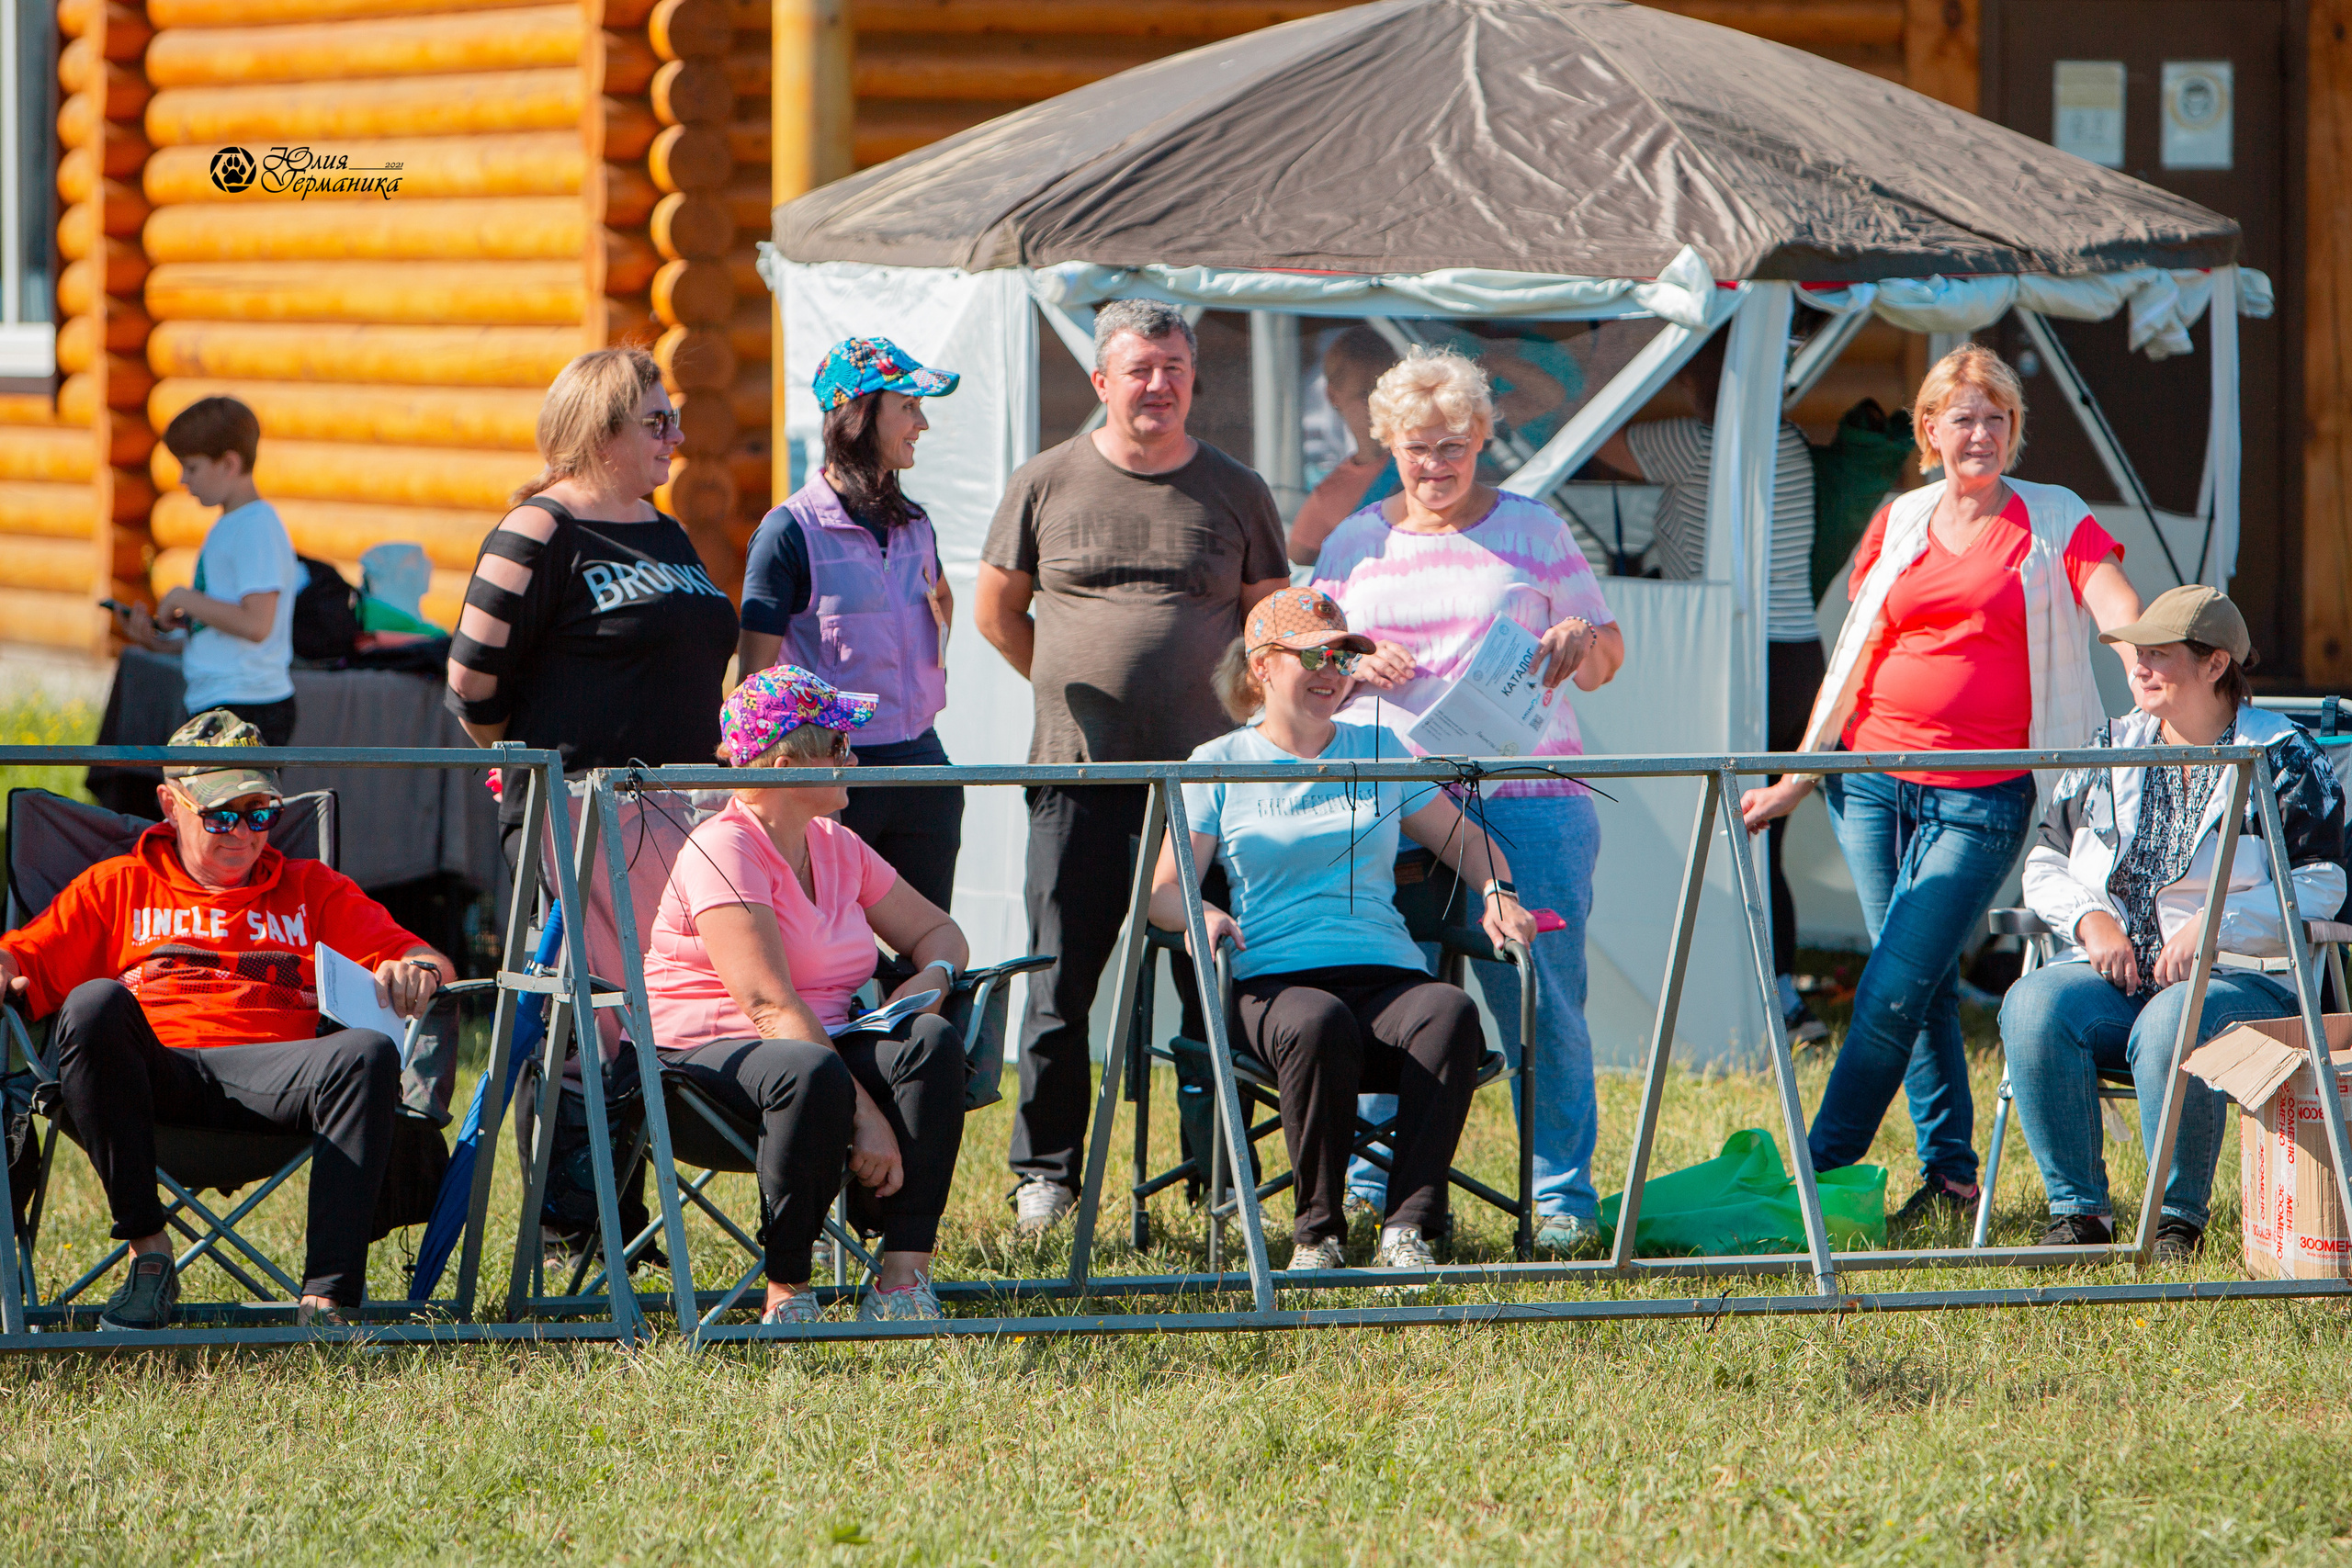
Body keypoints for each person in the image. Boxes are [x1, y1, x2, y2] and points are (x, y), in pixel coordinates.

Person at [1740, 344, 2143, 1235]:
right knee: (1915, 985)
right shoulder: (1899, 518)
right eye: (1962, 416)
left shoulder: (2053, 517)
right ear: (1928, 430)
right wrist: (1797, 780)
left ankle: (1809, 1178)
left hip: (1984, 794)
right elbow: (1856, 653)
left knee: (1890, 984)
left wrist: (2153, 651)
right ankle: (1951, 1175)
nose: (1981, 432)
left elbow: (2115, 605)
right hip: (1868, 780)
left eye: (1997, 417)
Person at [975, 298, 1292, 1236]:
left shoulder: (1237, 488)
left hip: (1211, 790)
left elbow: (1270, 626)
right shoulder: (1046, 481)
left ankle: (1222, 1177)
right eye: (1141, 368)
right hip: (1078, 779)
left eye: (1174, 368)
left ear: (1194, 379)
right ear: (1101, 382)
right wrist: (1068, 682)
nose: (1159, 385)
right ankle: (1047, 1179)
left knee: (1220, 978)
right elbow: (998, 611)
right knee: (1061, 983)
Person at [1308, 344, 1625, 1257]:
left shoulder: (1536, 530)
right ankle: (1373, 1180)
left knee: (1539, 997)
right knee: (1380, 988)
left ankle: (1562, 1196)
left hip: (1528, 797)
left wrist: (1575, 635)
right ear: (1387, 446)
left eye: (1453, 445)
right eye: (1416, 447)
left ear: (1485, 439)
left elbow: (1605, 661)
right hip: (1394, 803)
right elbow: (1302, 656)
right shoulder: (1355, 540)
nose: (1436, 465)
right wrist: (1353, 658)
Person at [0, 710, 451, 1330]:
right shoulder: (116, 886)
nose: (244, 832)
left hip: (275, 1080)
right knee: (93, 1004)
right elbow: (22, 957)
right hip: (150, 1079)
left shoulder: (310, 887)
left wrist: (416, 972)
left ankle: (328, 1303)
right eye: (221, 814)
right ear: (169, 803)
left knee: (368, 1051)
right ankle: (150, 1255)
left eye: (262, 812)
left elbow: (429, 959)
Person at [1151, 589, 1535, 1269]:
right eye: (1313, 656)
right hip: (1275, 984)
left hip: (1385, 975)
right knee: (1318, 1020)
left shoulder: (1379, 749)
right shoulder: (1218, 760)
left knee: (1449, 1010)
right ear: (1262, 665)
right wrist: (1199, 911)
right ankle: (1317, 1235)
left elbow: (1470, 842)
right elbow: (1161, 891)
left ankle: (1407, 1230)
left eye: (1343, 655)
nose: (1331, 671)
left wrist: (1498, 894)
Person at [2002, 588, 2346, 1259]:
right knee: (2032, 1002)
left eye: (2160, 654)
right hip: (2117, 981)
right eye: (2137, 653)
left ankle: (2174, 1223)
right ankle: (2079, 1216)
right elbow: (2045, 861)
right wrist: (2091, 919)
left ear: (2216, 664)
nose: (2140, 667)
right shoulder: (2110, 745)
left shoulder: (2284, 755)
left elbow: (2322, 885)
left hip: (2249, 986)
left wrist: (2216, 924)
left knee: (2173, 1021)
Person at [641, 665, 972, 1324]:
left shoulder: (837, 844)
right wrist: (866, 1116)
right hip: (702, 1061)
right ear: (789, 763)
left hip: (816, 1052)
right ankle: (787, 1294)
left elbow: (941, 932)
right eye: (839, 745)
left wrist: (927, 983)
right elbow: (768, 1005)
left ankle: (903, 1282)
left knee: (930, 1041)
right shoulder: (723, 846)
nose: (854, 756)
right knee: (809, 1066)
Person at [1593, 332, 1829, 1043]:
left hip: (1745, 660)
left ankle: (1766, 1000)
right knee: (1765, 839)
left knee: (1731, 836)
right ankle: (1781, 992)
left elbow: (1599, 441)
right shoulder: (1783, 441)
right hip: (1796, 660)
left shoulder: (1701, 442)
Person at [445, 346, 740, 829]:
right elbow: (470, 682)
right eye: (657, 422)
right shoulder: (537, 529)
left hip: (694, 812)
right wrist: (532, 764)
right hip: (587, 822)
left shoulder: (670, 531)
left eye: (675, 418)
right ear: (601, 432)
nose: (677, 436)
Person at [739, 337, 964, 911]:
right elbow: (754, 681)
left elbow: (941, 599)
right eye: (908, 406)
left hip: (923, 764)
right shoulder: (787, 532)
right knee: (830, 959)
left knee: (931, 950)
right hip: (832, 772)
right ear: (862, 414)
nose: (923, 423)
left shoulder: (918, 525)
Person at [111, 395, 300, 744]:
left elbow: (257, 624)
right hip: (220, 702)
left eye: (192, 467)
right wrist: (155, 642)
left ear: (229, 463)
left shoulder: (256, 526)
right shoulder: (230, 526)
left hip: (247, 708)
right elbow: (220, 638)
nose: (183, 479)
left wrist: (186, 597)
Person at [1287, 326, 1401, 566]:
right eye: (1364, 394)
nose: (1378, 404)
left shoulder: (1428, 463)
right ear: (1333, 397)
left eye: (1386, 391)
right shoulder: (1328, 496)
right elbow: (1295, 569)